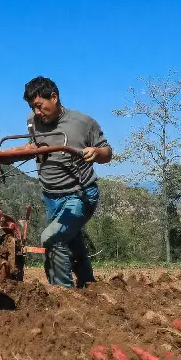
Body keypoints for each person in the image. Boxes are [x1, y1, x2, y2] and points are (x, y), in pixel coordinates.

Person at [23, 76, 112, 288]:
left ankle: (63, 294)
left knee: (52, 237)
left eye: (39, 106)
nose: (36, 112)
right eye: (32, 107)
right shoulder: (32, 122)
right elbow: (32, 147)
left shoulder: (82, 122)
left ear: (54, 97)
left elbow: (107, 152)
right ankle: (89, 285)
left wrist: (96, 152)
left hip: (80, 194)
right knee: (71, 239)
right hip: (50, 196)